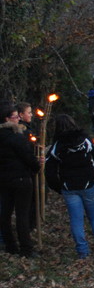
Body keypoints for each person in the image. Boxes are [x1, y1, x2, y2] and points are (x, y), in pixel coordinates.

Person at [45, 114, 94, 260]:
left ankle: (83, 252)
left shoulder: (57, 146)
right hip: (88, 183)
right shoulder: (85, 140)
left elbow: (49, 168)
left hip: (70, 187)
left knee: (76, 220)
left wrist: (58, 187)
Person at [0, 102, 39, 257]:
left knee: (5, 213)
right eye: (15, 117)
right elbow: (28, 157)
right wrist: (36, 167)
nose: (17, 120)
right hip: (21, 179)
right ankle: (26, 248)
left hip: (4, 179)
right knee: (22, 215)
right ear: (7, 119)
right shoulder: (17, 137)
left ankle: (10, 244)